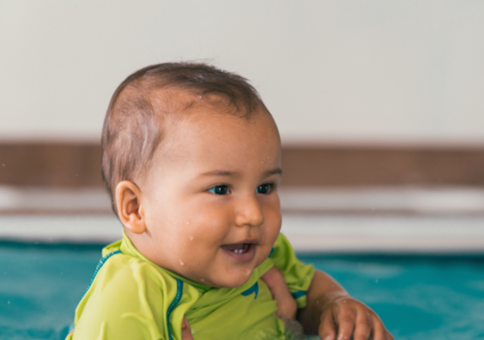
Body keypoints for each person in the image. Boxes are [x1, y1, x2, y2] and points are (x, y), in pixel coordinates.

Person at [67, 63, 392, 340]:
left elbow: (309, 289)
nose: (252, 214)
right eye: (221, 189)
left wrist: (333, 305)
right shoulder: (129, 297)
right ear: (135, 208)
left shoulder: (259, 256)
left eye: (265, 188)